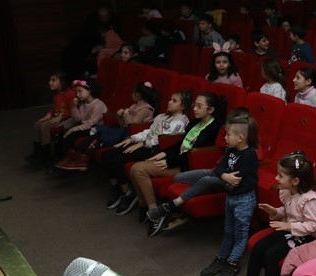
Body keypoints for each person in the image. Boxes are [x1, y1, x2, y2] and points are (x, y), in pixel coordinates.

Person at [231, 151, 316, 276]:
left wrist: (289, 226)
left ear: (295, 181)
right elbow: (289, 211)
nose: (276, 178)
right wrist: (275, 212)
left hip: (306, 238)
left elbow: (313, 226)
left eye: (281, 175)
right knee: (259, 247)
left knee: (271, 255)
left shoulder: (310, 199)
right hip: (291, 230)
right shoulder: (288, 192)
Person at [147, 112, 259, 243]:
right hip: (220, 173)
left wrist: (223, 174)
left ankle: (172, 205)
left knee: (206, 180)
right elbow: (219, 167)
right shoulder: (231, 148)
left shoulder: (250, 153)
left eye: (228, 134)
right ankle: (199, 191)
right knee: (179, 177)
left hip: (228, 181)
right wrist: (222, 173)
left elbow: (236, 178)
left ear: (241, 136)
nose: (226, 138)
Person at [127, 92, 223, 232]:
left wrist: (169, 160)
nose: (194, 109)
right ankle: (144, 205)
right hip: (178, 159)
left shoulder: (214, 128)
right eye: (194, 105)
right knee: (135, 169)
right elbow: (181, 144)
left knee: (139, 170)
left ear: (211, 109)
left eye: (199, 106)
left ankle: (154, 211)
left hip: (187, 165)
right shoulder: (195, 122)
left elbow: (196, 153)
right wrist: (164, 153)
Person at [102, 90, 190, 211]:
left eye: (174, 101)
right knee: (108, 154)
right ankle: (116, 186)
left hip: (155, 150)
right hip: (145, 144)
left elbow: (164, 140)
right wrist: (133, 138)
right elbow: (149, 132)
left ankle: (127, 192)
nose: (169, 102)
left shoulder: (180, 121)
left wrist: (142, 144)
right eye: (170, 99)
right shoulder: (161, 116)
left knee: (118, 160)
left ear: (183, 106)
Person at [52, 79, 108, 171]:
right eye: (77, 92)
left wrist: (73, 129)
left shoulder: (98, 105)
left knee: (71, 136)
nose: (77, 94)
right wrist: (74, 107)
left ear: (90, 90)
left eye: (80, 91)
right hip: (85, 126)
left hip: (94, 129)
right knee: (60, 135)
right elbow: (77, 119)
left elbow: (90, 124)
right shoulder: (83, 103)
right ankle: (58, 162)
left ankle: (68, 163)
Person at [27, 72, 75, 164]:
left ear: (62, 82)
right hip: (57, 116)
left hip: (68, 119)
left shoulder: (70, 93)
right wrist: (48, 114)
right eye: (50, 80)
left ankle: (46, 154)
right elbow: (55, 107)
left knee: (45, 126)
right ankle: (37, 151)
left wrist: (61, 117)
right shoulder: (57, 94)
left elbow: (74, 110)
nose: (50, 82)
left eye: (53, 80)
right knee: (37, 124)